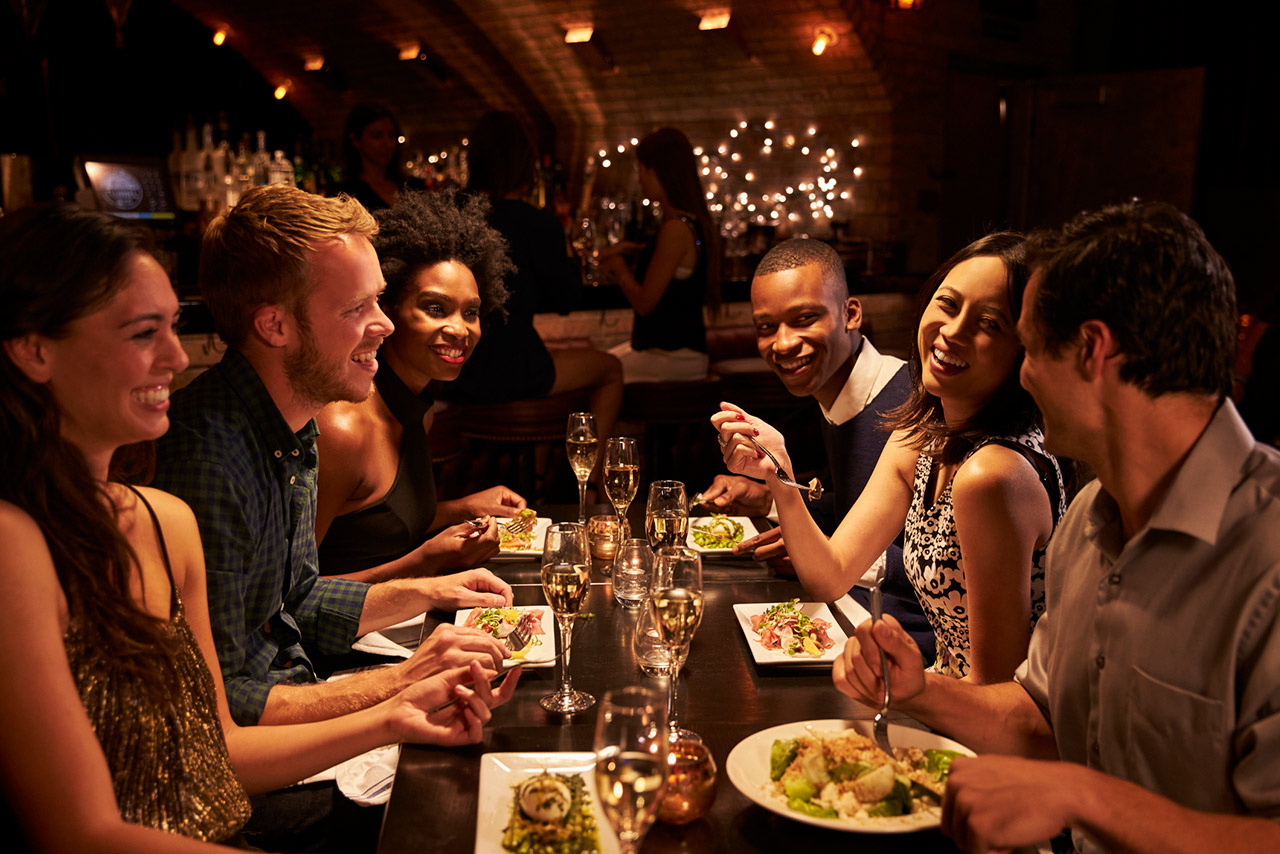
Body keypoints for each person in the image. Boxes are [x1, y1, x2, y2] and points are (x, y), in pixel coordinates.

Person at [0, 204, 517, 853]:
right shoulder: (177, 471)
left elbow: (222, 741)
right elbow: (83, 830)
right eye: (141, 332)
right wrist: (395, 685)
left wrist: (403, 690)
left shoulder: (172, 516)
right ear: (33, 349)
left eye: (173, 326)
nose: (173, 356)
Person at [836, 201, 1280, 853]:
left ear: (1092, 351)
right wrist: (917, 691)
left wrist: (1084, 797)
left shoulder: (1266, 552)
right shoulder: (1089, 523)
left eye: (1031, 347)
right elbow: (1038, 717)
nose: (1022, 375)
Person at [715, 233, 1067, 683]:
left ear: (1025, 347)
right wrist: (777, 474)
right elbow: (832, 575)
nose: (953, 330)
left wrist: (896, 694)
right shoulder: (919, 434)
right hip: (944, 694)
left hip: (984, 725)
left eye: (990, 323)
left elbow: (997, 692)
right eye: (948, 303)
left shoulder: (991, 473)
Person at [696, 237, 934, 660]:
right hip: (849, 621)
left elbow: (942, 561)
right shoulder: (832, 398)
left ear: (851, 314)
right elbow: (848, 507)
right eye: (766, 327)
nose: (783, 343)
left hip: (907, 651)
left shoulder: (909, 405)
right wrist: (766, 498)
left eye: (805, 318)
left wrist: (824, 549)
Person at [316, 187, 530, 580]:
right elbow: (289, 599)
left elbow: (379, 523)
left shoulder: (420, 412)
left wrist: (464, 508)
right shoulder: (343, 427)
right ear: (390, 308)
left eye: (471, 312)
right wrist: (427, 562)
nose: (459, 329)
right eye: (435, 308)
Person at [443, 111, 623, 454]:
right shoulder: (537, 223)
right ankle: (592, 479)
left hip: (453, 367)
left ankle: (495, 469)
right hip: (513, 367)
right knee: (611, 369)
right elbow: (568, 298)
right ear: (526, 162)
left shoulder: (451, 217)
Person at [599, 127, 721, 383]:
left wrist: (620, 271)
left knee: (596, 374)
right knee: (602, 361)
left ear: (656, 171)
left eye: (640, 170)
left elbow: (645, 303)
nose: (640, 179)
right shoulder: (691, 223)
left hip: (673, 359)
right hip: (679, 354)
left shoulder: (675, 229)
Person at [330, 103, 426, 211]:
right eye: (377, 136)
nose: (387, 143)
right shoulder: (343, 195)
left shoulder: (414, 186)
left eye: (391, 135)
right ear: (356, 140)